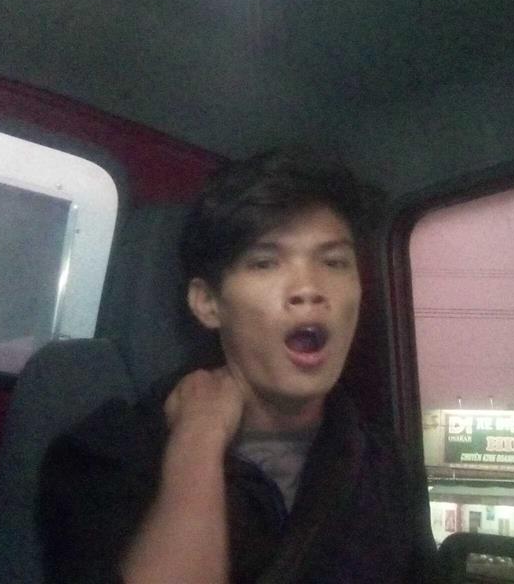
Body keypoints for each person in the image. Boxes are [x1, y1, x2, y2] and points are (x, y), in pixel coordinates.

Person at [36, 149, 437, 583]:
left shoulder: (385, 465)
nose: (309, 288)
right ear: (208, 303)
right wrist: (198, 437)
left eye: (334, 262)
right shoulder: (107, 455)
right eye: (265, 262)